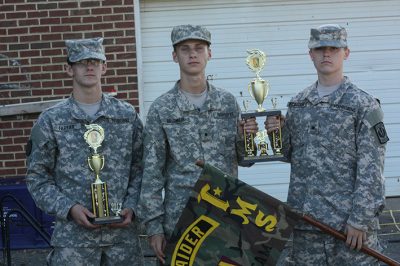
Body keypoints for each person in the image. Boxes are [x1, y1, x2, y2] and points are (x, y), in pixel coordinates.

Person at [266, 24, 389, 265]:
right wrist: (275, 134)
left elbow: (372, 168)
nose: (327, 54)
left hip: (347, 229)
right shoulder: (299, 104)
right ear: (310, 54)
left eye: (334, 48)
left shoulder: (364, 105)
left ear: (346, 53)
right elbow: (291, 154)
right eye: (320, 48)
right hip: (306, 225)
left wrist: (360, 220)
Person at [138, 24, 258, 264]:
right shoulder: (162, 108)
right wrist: (154, 227)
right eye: (185, 49)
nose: (193, 54)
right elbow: (152, 173)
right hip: (181, 219)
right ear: (175, 56)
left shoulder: (228, 103)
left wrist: (250, 138)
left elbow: (245, 159)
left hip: (225, 215)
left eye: (199, 48)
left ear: (209, 54)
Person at [25, 38, 144, 265]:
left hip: (122, 241)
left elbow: (142, 168)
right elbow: (37, 177)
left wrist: (132, 205)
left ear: (104, 67)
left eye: (95, 61)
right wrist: (69, 208)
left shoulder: (126, 116)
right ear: (69, 68)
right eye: (81, 62)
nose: (89, 67)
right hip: (73, 243)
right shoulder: (51, 120)